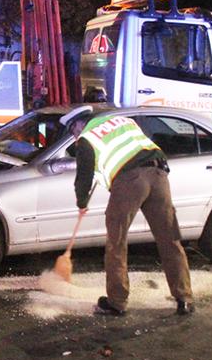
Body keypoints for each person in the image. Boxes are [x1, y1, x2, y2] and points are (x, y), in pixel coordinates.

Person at [61, 106, 194, 316]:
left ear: (78, 124)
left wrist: (81, 202)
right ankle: (184, 298)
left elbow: (83, 178)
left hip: (129, 181)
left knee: (116, 243)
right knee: (170, 238)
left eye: (72, 131)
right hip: (159, 176)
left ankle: (116, 301)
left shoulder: (87, 139)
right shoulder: (123, 122)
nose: (74, 136)